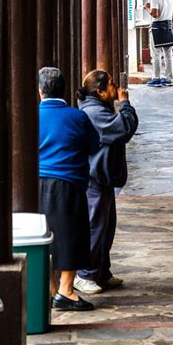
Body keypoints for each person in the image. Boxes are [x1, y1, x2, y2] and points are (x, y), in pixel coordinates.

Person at [38, 67, 100, 312]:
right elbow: (93, 145)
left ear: (40, 90)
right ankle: (66, 289)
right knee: (71, 235)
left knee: (42, 236)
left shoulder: (31, 115)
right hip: (68, 182)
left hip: (35, 182)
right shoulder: (77, 117)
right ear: (63, 89)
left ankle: (51, 290)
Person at [74, 71, 138, 295]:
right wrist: (126, 104)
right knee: (95, 226)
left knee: (106, 225)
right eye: (111, 85)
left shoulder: (96, 108)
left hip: (103, 176)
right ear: (100, 92)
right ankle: (85, 274)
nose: (116, 87)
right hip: (94, 177)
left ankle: (101, 270)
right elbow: (124, 128)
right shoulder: (94, 112)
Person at [145, 0, 173, 87]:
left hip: (157, 27)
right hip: (168, 25)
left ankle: (156, 78)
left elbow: (155, 14)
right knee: (168, 54)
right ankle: (169, 78)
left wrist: (147, 9)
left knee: (156, 55)